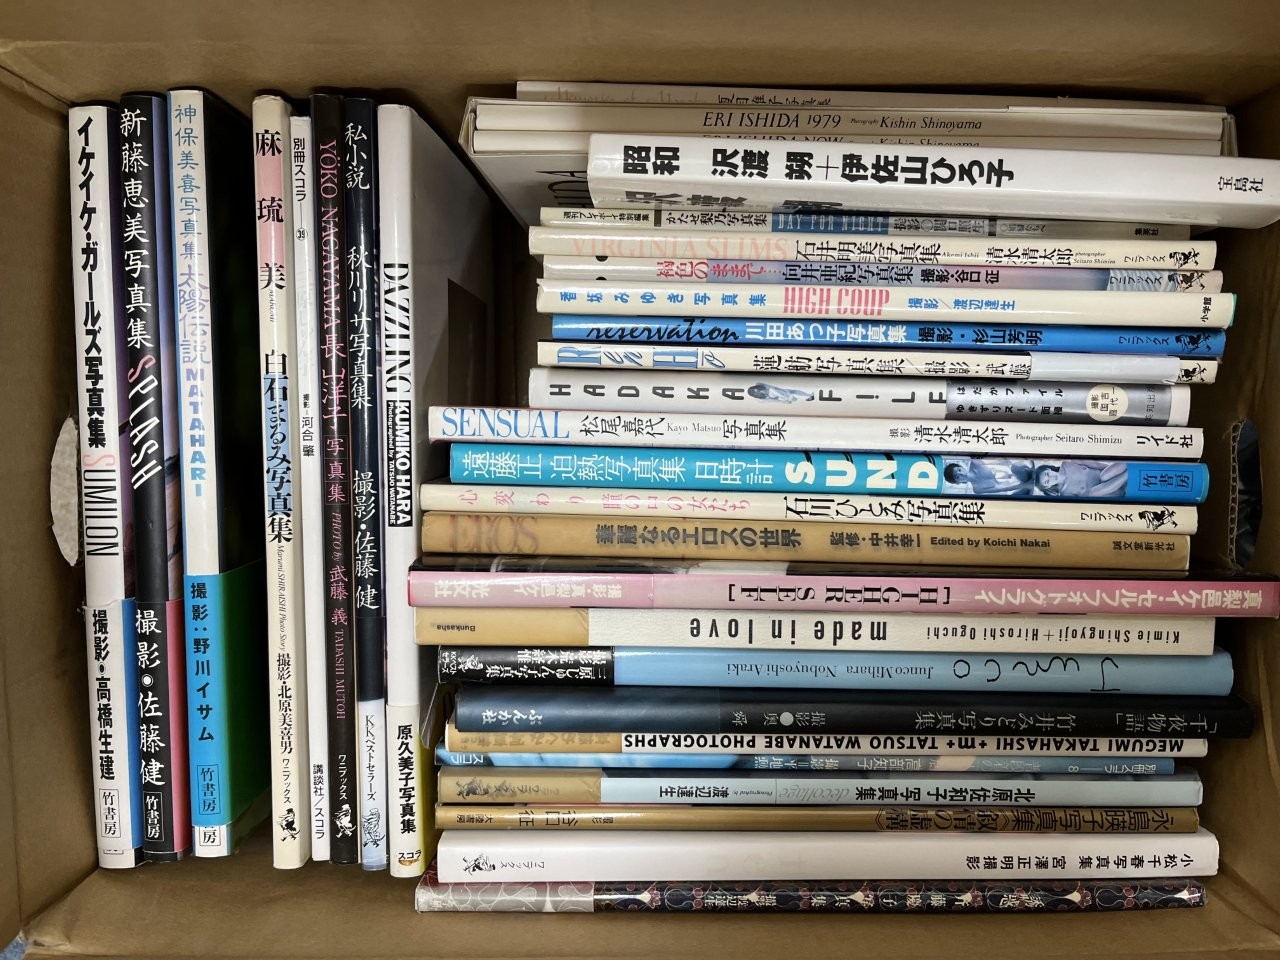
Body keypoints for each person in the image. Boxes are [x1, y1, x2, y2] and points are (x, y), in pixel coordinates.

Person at [1033, 460, 1129, 498]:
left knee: (1104, 476)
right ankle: (1128, 474)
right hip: (1112, 492)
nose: (1051, 477)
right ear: (1048, 486)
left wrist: (1115, 471)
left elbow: (1095, 464)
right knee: (1093, 493)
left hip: (1110, 475)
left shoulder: (1067, 463)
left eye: (1047, 474)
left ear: (1048, 469)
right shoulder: (1064, 494)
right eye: (1047, 481)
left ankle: (1128, 470)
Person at [941, 459, 1035, 496]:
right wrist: (1024, 485)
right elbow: (1001, 488)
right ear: (958, 482)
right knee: (1014, 496)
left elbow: (1002, 461)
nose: (961, 474)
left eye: (959, 470)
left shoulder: (975, 463)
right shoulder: (977, 489)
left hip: (1016, 469)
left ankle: (1029, 472)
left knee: (1015, 467)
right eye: (957, 476)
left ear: (961, 467)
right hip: (1016, 485)